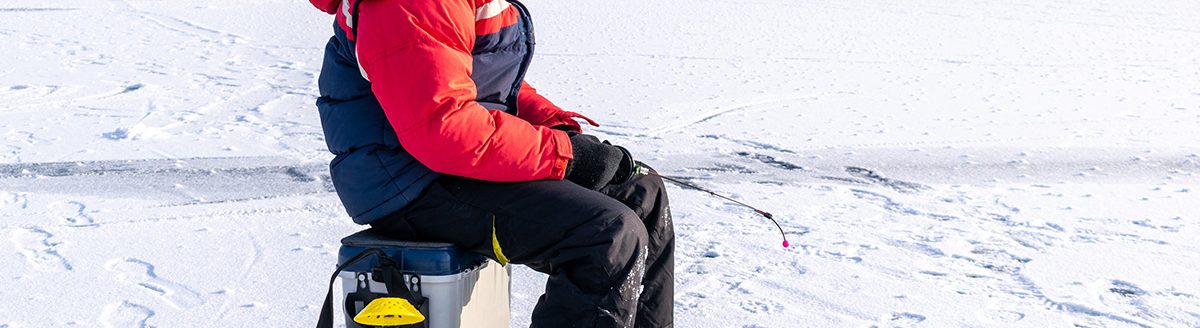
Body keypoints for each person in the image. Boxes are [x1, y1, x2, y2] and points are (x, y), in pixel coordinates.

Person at [308, 0, 674, 327]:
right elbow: (443, 130)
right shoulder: (413, 5)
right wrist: (566, 155)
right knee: (606, 234)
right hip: (408, 183)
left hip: (451, 163)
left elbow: (488, 81)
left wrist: (556, 128)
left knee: (643, 192)